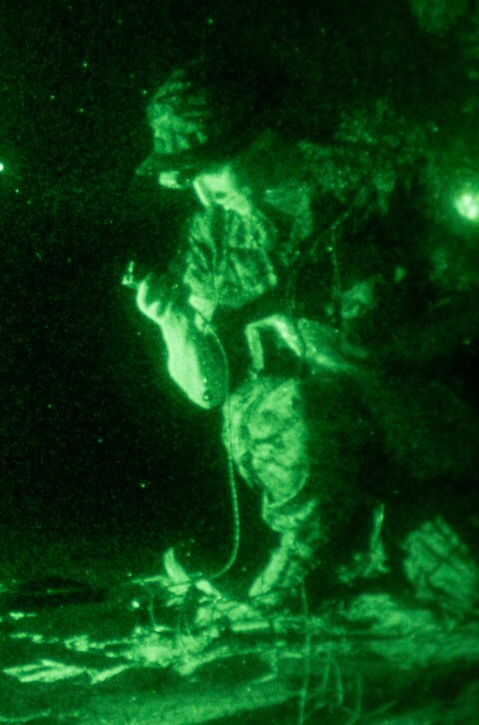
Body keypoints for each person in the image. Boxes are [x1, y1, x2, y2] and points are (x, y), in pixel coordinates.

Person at [128, 58, 479, 614]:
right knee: (299, 402)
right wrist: (172, 325)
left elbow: (465, 303)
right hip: (307, 459)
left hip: (414, 436)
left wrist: (377, 351)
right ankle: (311, 563)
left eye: (209, 166)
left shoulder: (378, 192)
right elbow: (207, 392)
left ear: (262, 136)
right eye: (186, 176)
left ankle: (380, 543)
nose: (199, 192)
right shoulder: (211, 238)